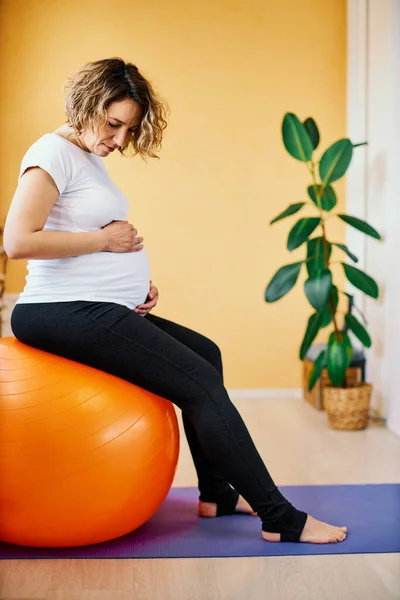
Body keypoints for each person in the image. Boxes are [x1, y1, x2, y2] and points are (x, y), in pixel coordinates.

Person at [5, 57, 347, 544]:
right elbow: (18, 241)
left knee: (207, 353)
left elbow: (77, 234)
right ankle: (281, 518)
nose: (120, 139)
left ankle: (217, 494)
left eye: (129, 128)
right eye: (114, 123)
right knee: (201, 384)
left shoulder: (86, 156)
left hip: (95, 303)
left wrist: (127, 284)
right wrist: (107, 246)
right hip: (58, 312)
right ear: (86, 104)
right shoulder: (51, 154)